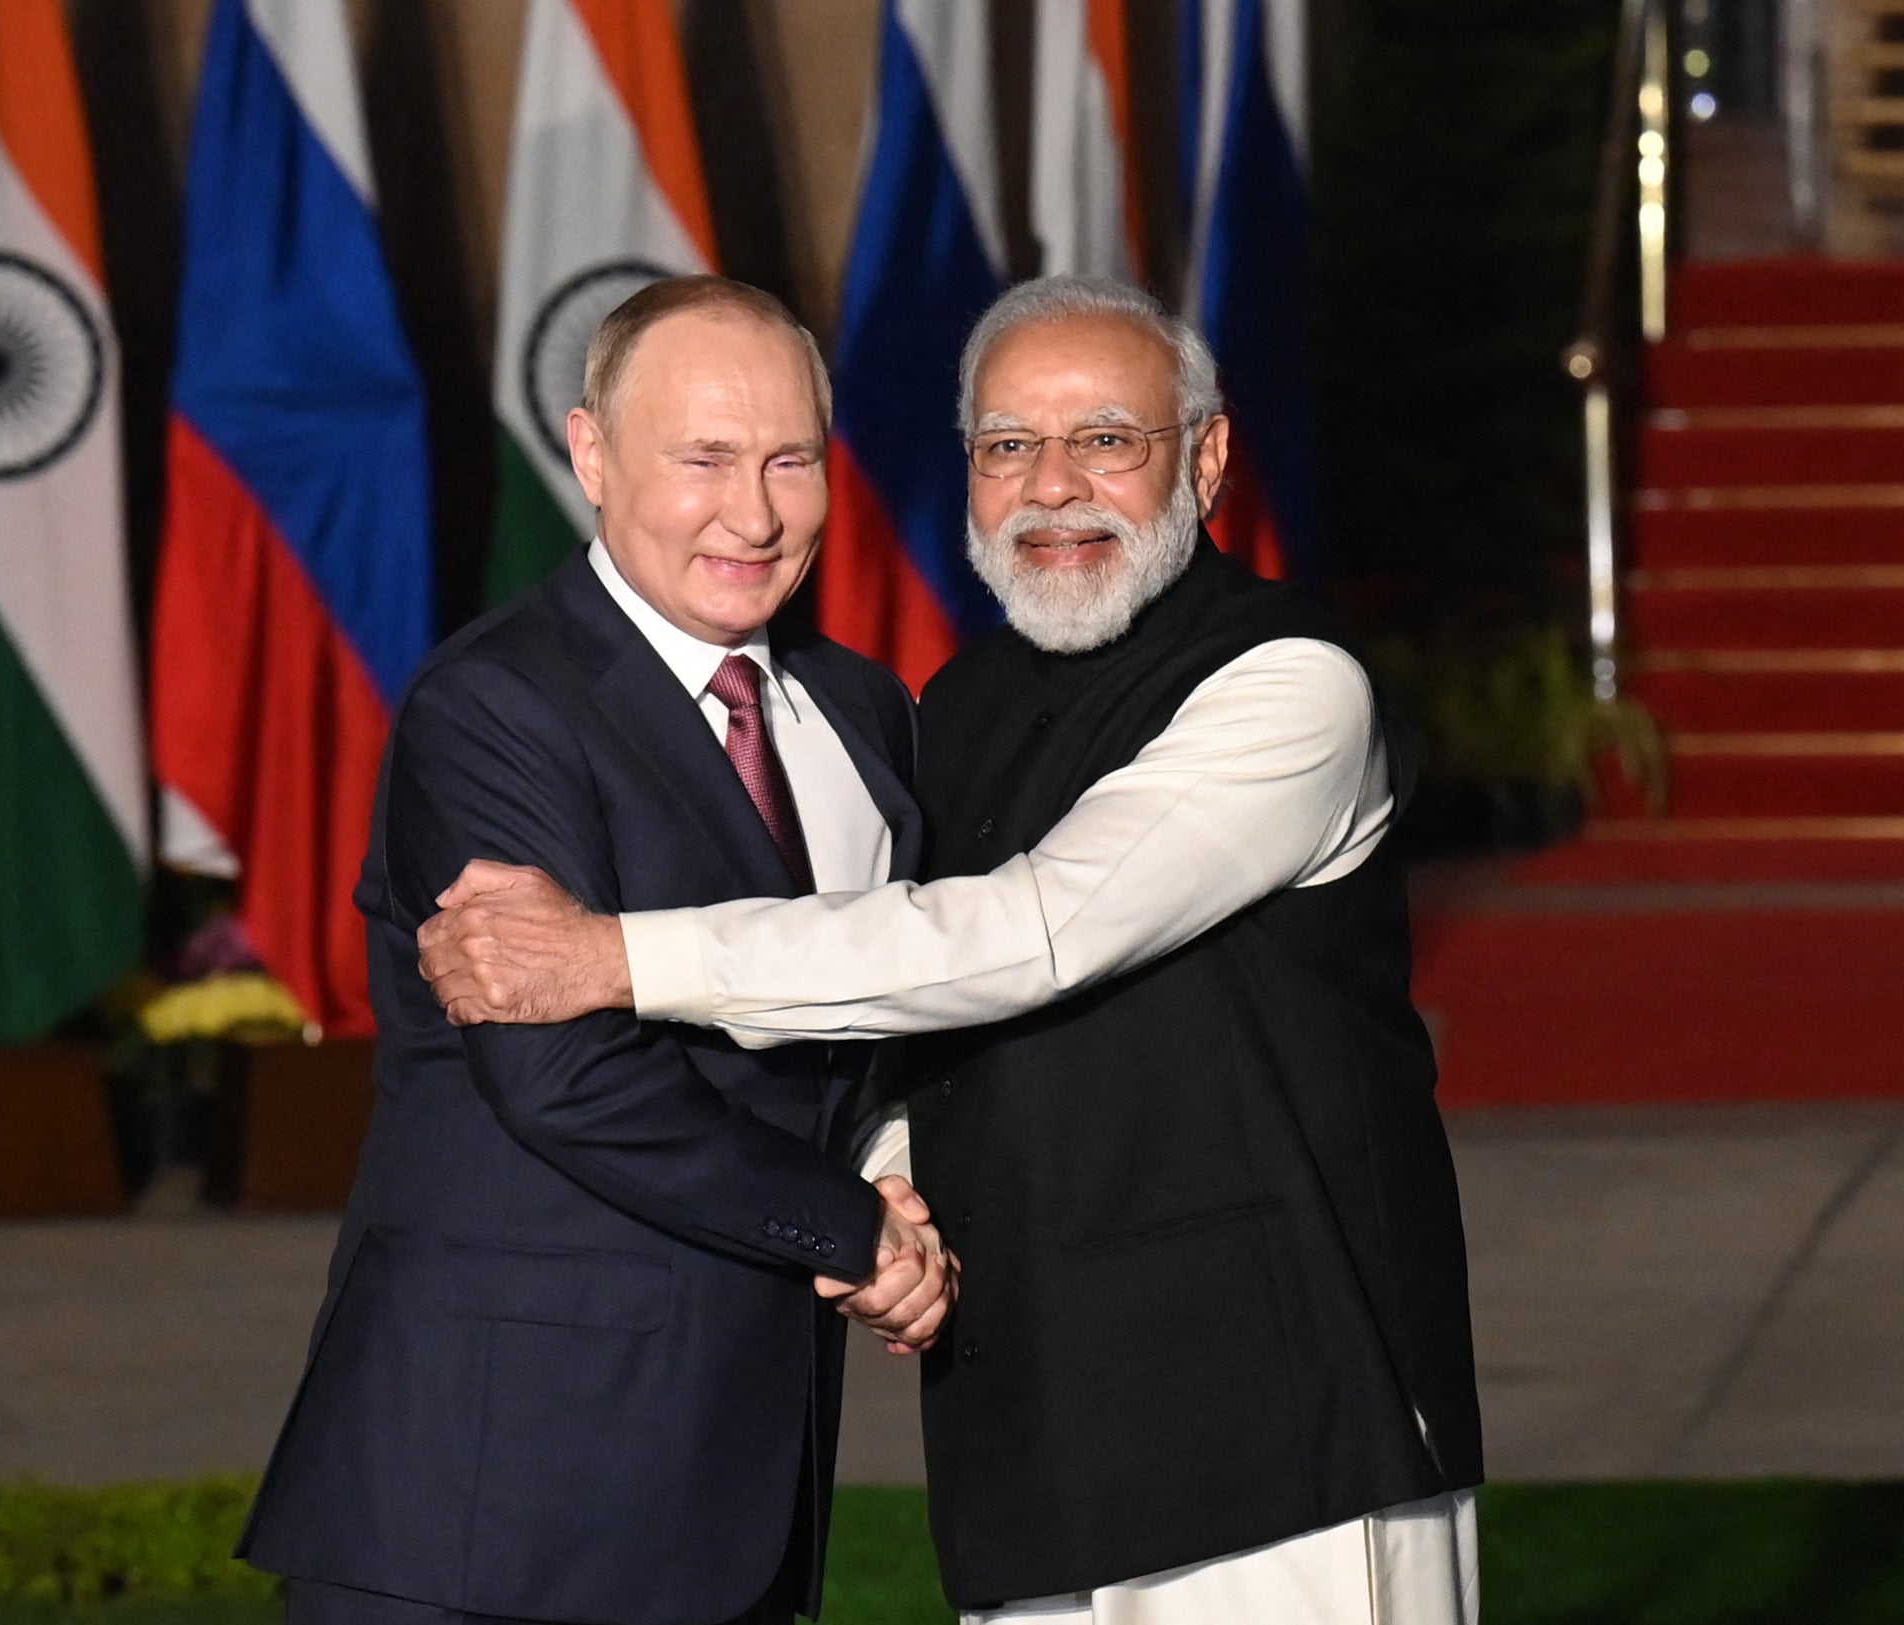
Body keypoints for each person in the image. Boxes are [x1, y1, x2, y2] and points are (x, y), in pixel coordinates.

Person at [416, 276, 1484, 1625]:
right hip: (1034, 1409)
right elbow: (924, 1028)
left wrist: (616, 956)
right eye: (1003, 446)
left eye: (1106, 438)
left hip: (1292, 1414)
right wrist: (881, 1189)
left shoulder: (1289, 686)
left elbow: (1031, 933)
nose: (1052, 485)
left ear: (1204, 459)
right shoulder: (952, 709)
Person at [239, 276, 956, 1625]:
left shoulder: (865, 714)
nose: (752, 514)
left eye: (788, 459)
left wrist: (898, 1168)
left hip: (735, 1484)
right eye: (702, 460)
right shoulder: (496, 705)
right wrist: (852, 1229)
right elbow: (562, 1076)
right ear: (588, 455)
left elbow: (871, 1022)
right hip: (487, 1500)